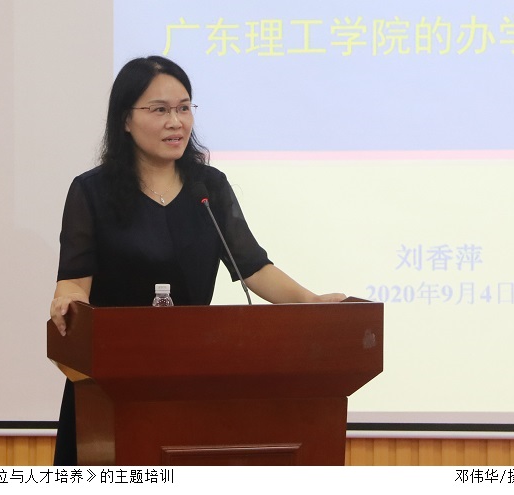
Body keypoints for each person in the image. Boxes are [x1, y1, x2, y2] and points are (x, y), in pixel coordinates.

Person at [49, 55, 346, 465]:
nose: (176, 122)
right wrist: (68, 302)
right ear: (125, 119)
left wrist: (311, 303)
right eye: (159, 110)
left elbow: (253, 267)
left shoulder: (208, 187)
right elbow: (73, 282)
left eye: (184, 108)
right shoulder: (92, 192)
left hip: (190, 380)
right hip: (109, 383)